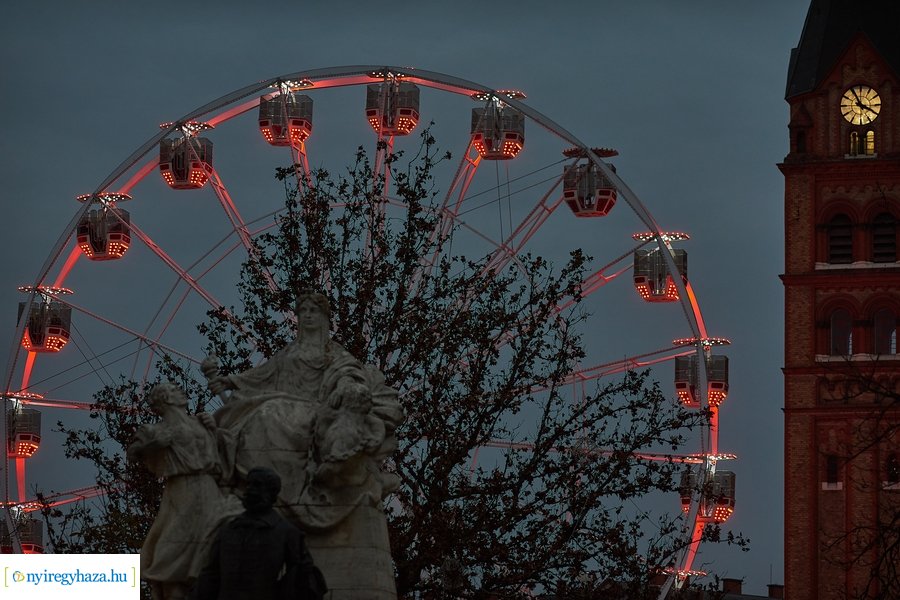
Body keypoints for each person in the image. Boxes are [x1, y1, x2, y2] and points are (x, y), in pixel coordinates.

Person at [204, 291, 403, 528]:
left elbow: (348, 373)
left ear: (324, 316)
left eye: (313, 311)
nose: (308, 316)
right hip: (283, 403)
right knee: (254, 419)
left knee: (267, 416)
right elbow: (263, 375)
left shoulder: (333, 352)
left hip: (316, 409)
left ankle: (289, 494)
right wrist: (230, 381)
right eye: (303, 311)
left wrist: (345, 387)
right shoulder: (290, 351)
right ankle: (274, 491)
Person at [128, 382, 226, 600]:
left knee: (212, 540)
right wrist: (154, 444)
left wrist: (214, 431)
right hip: (182, 488)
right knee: (176, 541)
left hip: (209, 487)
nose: (181, 391)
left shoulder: (200, 422)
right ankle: (170, 585)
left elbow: (220, 454)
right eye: (174, 390)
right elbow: (134, 453)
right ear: (165, 399)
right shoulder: (155, 430)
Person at [193, 467, 326, 600]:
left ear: (271, 492)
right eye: (249, 484)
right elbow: (210, 575)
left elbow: (302, 577)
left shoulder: (287, 532)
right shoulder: (228, 529)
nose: (250, 489)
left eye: (257, 485)